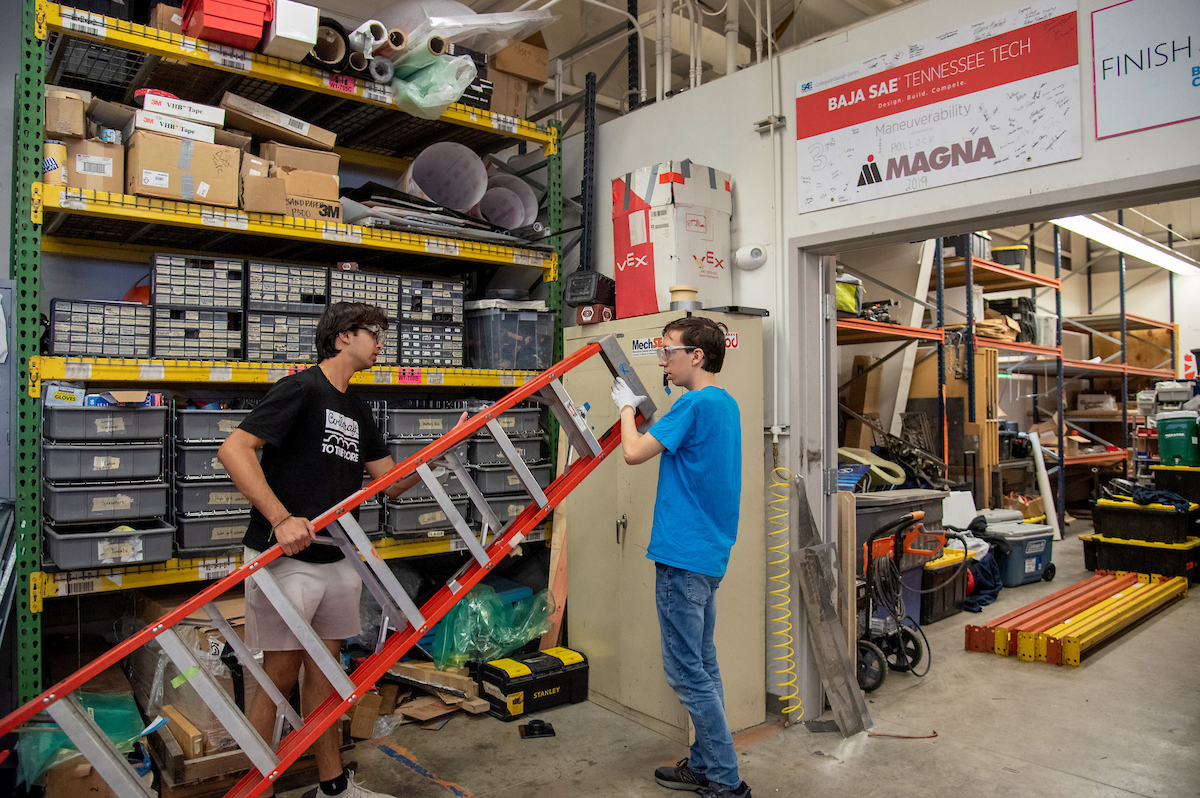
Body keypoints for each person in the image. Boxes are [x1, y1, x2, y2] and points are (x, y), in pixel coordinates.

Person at [219, 302, 429, 798]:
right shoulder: (301, 389)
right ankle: (258, 789)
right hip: (286, 560)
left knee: (328, 675)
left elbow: (390, 485)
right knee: (280, 674)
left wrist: (442, 452)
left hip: (337, 558)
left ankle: (333, 787)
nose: (380, 343)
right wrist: (280, 518)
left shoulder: (357, 407)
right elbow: (234, 449)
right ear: (341, 338)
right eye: (372, 333)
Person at [609, 316, 750, 798]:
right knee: (703, 666)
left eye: (668, 351)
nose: (662, 360)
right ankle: (709, 766)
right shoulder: (723, 403)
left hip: (682, 556)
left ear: (697, 356)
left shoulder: (691, 404)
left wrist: (627, 409)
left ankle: (727, 781)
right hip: (707, 556)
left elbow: (632, 453)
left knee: (687, 673)